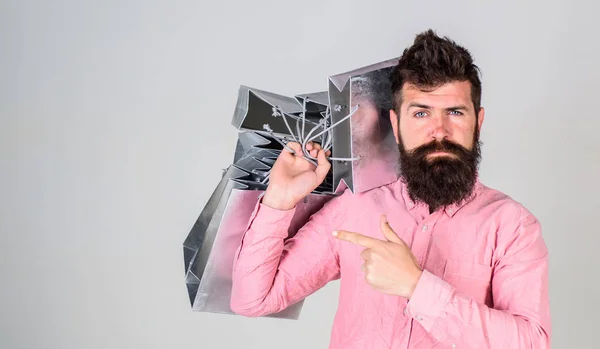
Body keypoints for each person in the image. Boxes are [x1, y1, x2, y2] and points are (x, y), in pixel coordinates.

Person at [229, 29, 551, 349]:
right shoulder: (355, 208)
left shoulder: (513, 227)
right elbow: (253, 299)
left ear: (478, 122)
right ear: (396, 125)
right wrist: (279, 201)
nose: (439, 130)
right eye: (421, 113)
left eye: (454, 112)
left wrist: (417, 286)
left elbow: (532, 344)